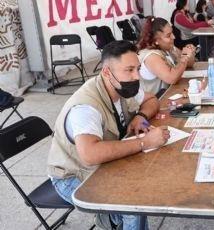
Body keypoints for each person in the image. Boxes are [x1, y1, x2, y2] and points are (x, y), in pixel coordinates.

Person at [47, 40, 170, 230]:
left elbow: (152, 100)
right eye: (129, 70)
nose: (136, 76)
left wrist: (141, 116)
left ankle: (114, 217)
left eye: (137, 68)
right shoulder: (86, 107)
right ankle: (113, 216)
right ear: (106, 72)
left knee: (148, 180)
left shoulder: (121, 85)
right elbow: (90, 155)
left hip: (106, 166)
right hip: (72, 176)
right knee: (131, 202)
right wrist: (145, 142)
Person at [137, 16, 196, 95]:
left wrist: (189, 53)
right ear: (156, 40)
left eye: (172, 33)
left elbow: (190, 63)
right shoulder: (151, 56)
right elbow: (172, 78)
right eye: (168, 35)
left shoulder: (168, 48)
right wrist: (185, 57)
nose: (173, 37)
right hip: (157, 103)